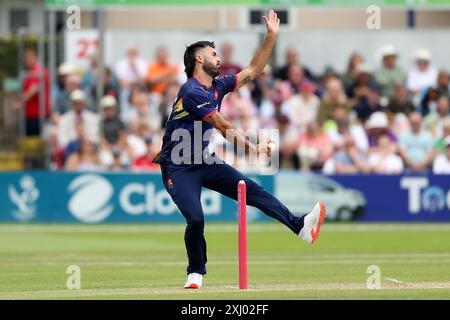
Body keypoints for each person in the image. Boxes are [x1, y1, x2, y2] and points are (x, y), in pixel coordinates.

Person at [153, 10, 326, 289]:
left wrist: (271, 36)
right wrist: (252, 148)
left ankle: (300, 226)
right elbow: (221, 124)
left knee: (252, 190)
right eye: (213, 53)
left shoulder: (218, 86)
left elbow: (254, 70)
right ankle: (195, 271)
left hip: (204, 161)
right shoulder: (191, 91)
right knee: (196, 218)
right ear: (199, 59)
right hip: (178, 166)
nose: (218, 57)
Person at [20, 48, 51, 136]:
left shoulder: (37, 71)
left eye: (29, 57)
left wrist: (20, 101)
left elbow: (34, 90)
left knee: (35, 140)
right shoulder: (31, 71)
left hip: (37, 114)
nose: (26, 60)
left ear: (35, 57)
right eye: (25, 58)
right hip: (31, 113)